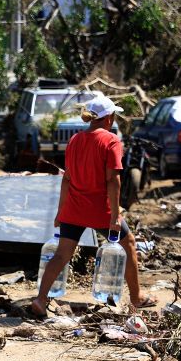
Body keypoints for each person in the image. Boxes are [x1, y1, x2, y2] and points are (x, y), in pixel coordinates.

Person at [32, 96, 157, 317]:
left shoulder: (75, 140)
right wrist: (115, 215)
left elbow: (67, 179)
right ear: (109, 118)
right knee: (128, 243)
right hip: (100, 210)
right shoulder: (111, 141)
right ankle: (136, 298)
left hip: (74, 209)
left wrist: (60, 212)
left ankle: (41, 300)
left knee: (61, 255)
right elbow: (113, 181)